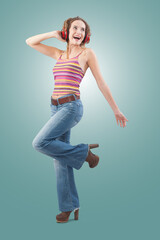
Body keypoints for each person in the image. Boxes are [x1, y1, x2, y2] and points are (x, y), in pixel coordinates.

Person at [25, 16, 128, 223]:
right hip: (55, 107)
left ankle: (84, 152)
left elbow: (101, 83)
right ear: (67, 31)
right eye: (74, 27)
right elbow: (30, 41)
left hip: (71, 107)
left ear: (85, 36)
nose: (78, 31)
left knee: (39, 143)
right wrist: (54, 34)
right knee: (59, 159)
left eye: (82, 29)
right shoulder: (59, 54)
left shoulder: (87, 54)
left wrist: (116, 109)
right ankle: (69, 207)